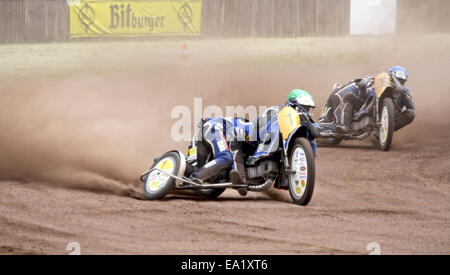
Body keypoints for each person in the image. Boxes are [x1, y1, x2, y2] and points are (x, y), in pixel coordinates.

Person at [389, 66, 415, 131]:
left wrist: (404, 94)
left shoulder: (405, 91)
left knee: (411, 114)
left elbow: (412, 108)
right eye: (396, 80)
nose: (398, 83)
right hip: (373, 113)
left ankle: (383, 133)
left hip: (390, 119)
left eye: (401, 81)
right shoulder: (381, 85)